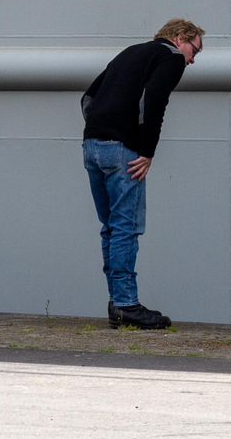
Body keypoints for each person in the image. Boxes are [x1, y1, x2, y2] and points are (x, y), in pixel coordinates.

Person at [80, 17, 204, 329]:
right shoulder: (171, 57)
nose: (192, 60)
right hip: (122, 151)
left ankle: (117, 302)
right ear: (180, 38)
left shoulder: (130, 52)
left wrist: (99, 128)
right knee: (126, 227)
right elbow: (155, 100)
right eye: (195, 50)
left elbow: (88, 97)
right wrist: (147, 151)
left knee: (110, 228)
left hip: (92, 146)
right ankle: (126, 304)